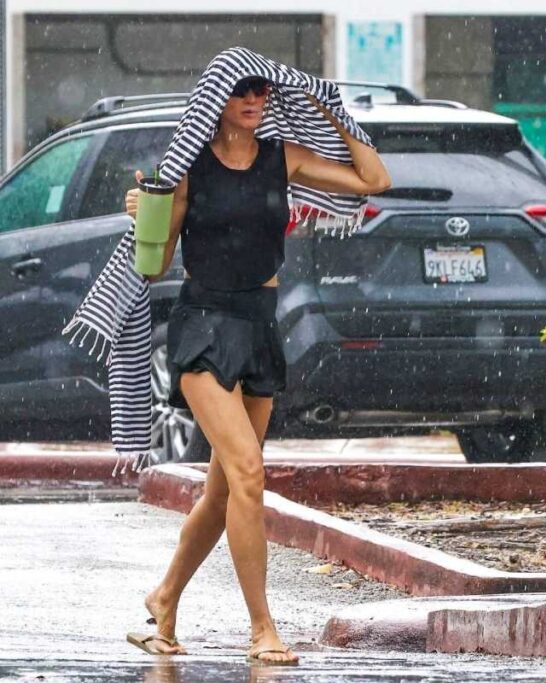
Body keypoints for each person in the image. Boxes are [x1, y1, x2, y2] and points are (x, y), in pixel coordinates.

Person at [123, 75, 390, 664]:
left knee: (223, 492)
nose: (252, 101)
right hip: (204, 326)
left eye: (261, 93)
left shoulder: (283, 158)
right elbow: (157, 262)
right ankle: (262, 628)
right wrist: (145, 212)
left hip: (260, 325)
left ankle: (164, 598)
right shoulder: (190, 167)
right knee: (247, 471)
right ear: (214, 99)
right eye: (241, 91)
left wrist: (329, 110)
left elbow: (375, 179)